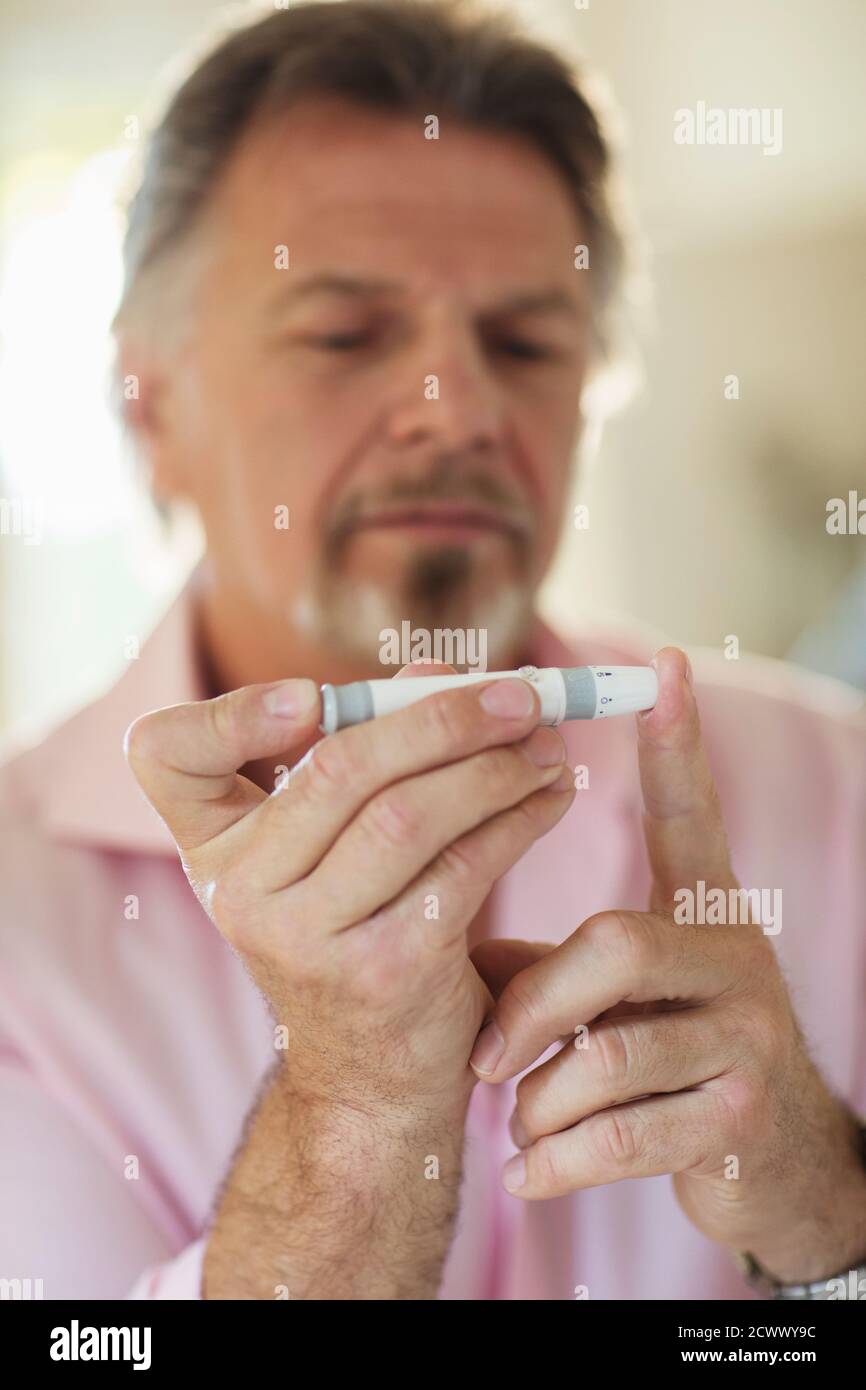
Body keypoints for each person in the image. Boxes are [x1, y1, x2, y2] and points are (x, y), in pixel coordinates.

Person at [2, 0, 864, 1302]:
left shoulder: (838, 792)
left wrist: (826, 1214)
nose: (453, 410)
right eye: (345, 334)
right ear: (150, 405)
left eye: (522, 341)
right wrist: (350, 1117)